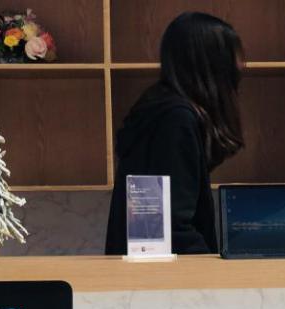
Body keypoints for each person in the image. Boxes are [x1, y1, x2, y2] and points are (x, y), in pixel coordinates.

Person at [105, 12, 244, 255]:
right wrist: (213, 269)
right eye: (233, 57)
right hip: (166, 271)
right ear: (212, 63)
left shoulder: (159, 108)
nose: (241, 66)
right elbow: (171, 227)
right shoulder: (175, 120)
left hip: (149, 266)